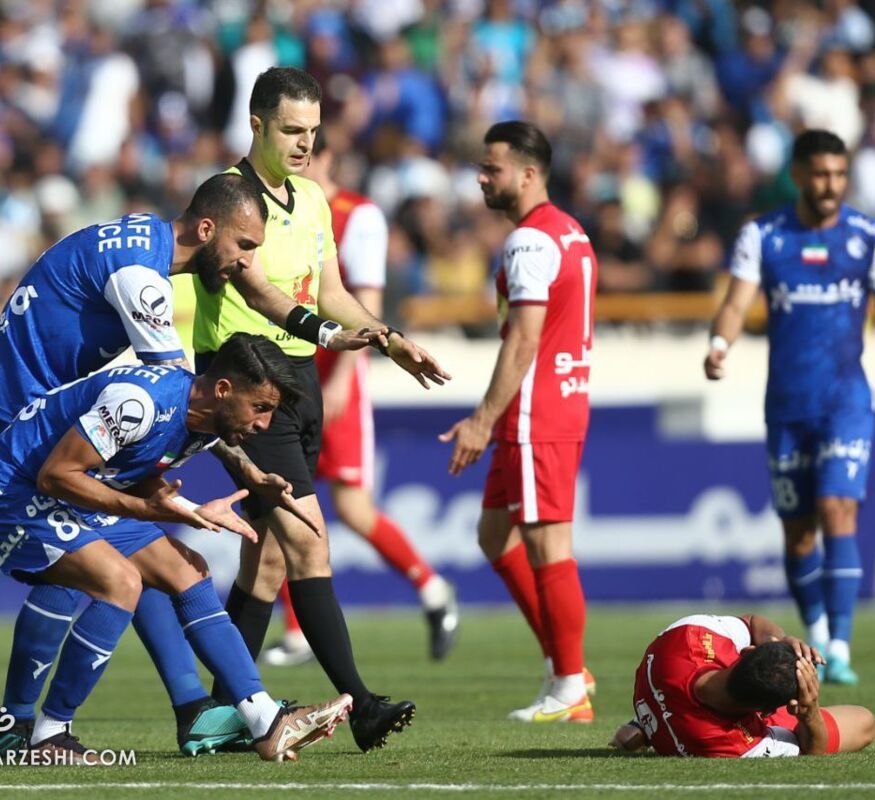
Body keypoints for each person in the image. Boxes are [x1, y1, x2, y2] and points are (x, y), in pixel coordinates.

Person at [0, 172, 372, 755]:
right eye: (243, 246)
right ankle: (29, 729)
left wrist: (220, 482)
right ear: (206, 229)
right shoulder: (142, 279)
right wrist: (194, 490)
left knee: (167, 566)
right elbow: (185, 394)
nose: (246, 264)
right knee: (87, 572)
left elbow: (195, 403)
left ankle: (214, 711)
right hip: (21, 426)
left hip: (40, 409)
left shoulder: (142, 242)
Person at [192, 66, 450, 752]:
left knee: (268, 561)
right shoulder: (228, 197)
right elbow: (257, 291)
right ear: (256, 125)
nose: (305, 143)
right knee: (309, 540)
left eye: (312, 131)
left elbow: (330, 289)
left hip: (298, 382)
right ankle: (361, 704)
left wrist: (389, 339)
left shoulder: (310, 199)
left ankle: (217, 715)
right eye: (291, 130)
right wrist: (331, 334)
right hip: (246, 389)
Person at [0, 333, 354, 763]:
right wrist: (147, 510)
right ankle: (49, 734)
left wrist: (191, 506)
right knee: (120, 582)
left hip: (71, 492)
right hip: (8, 494)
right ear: (223, 389)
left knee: (189, 570)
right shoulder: (138, 403)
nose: (263, 423)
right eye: (260, 407)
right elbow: (56, 475)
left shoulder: (207, 423)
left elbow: (131, 466)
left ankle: (265, 720)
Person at [704, 129, 875, 685]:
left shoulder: (870, 237)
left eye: (839, 174)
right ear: (799, 175)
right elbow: (736, 302)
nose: (831, 185)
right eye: (821, 174)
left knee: (837, 509)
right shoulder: (764, 235)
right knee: (799, 533)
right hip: (787, 408)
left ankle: (841, 645)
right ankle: (818, 630)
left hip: (845, 402)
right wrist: (719, 344)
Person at [261, 126, 459, 668]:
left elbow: (361, 299)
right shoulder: (284, 209)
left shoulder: (358, 215)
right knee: (282, 498)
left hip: (335, 375)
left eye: (308, 150)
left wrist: (343, 379)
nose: (299, 161)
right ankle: (297, 631)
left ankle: (431, 588)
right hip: (291, 374)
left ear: (325, 156)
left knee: (350, 506)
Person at [440, 121, 597, 722]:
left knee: (548, 544)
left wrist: (482, 419)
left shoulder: (529, 242)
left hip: (537, 408)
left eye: (493, 168)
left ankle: (569, 687)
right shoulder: (570, 231)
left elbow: (525, 339)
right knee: (494, 533)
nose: (482, 178)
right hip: (552, 401)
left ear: (529, 174)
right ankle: (567, 664)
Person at [609, 613, 875, 757]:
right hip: (701, 724)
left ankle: (645, 724)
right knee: (864, 722)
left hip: (663, 691)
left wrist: (778, 640)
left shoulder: (689, 634)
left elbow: (751, 622)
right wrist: (810, 713)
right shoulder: (740, 744)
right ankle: (646, 724)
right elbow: (813, 748)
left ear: (747, 651)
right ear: (768, 712)